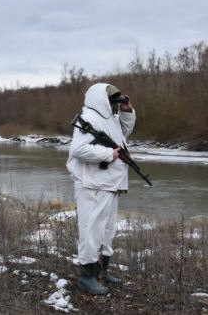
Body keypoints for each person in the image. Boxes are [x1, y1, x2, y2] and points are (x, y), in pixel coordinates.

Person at [67, 83, 135, 295]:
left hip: (109, 182)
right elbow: (78, 149)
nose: (114, 102)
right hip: (93, 184)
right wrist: (108, 155)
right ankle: (87, 278)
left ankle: (102, 271)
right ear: (100, 99)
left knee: (107, 230)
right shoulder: (88, 118)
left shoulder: (108, 118)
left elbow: (122, 134)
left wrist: (127, 112)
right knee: (91, 230)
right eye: (112, 99)